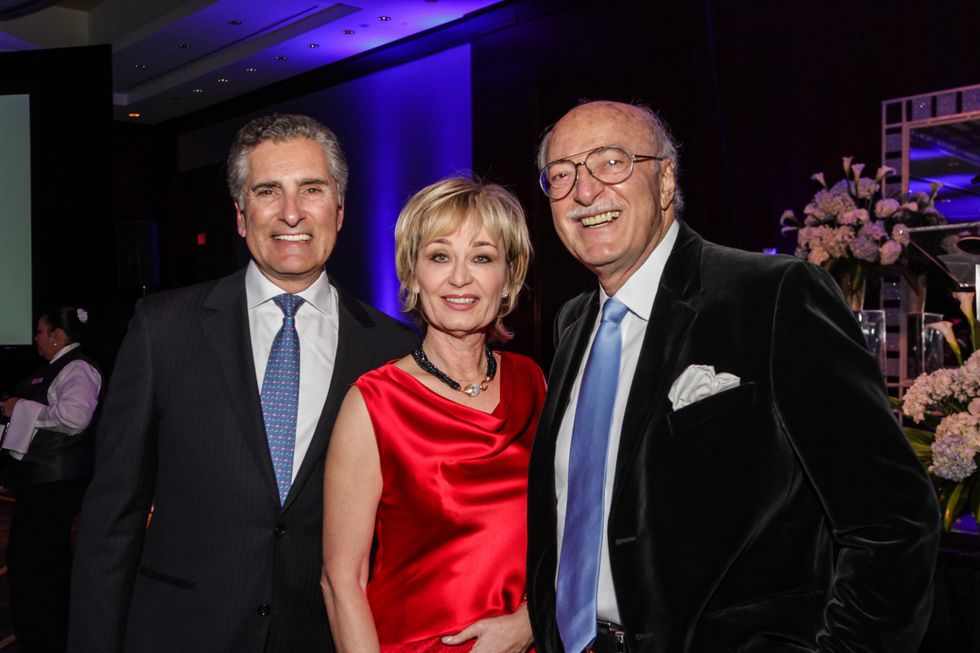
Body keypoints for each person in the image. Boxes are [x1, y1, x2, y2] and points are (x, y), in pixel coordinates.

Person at [525, 100, 941, 652]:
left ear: (666, 179)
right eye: (562, 175)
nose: (585, 192)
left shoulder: (773, 297)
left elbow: (892, 521)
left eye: (611, 163)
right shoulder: (572, 324)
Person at [67, 114, 416, 653]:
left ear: (340, 210)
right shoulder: (163, 330)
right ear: (240, 215)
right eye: (268, 191)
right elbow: (113, 519)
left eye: (312, 189)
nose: (291, 212)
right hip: (181, 635)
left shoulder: (392, 353)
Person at [321, 177, 544, 653]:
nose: (459, 278)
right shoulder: (374, 404)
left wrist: (532, 620)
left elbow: (573, 531)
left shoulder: (535, 383)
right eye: (439, 256)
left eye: (482, 258)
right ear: (412, 274)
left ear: (508, 277)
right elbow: (341, 582)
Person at [1, 306, 101, 653]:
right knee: (39, 561)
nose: (36, 338)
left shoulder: (78, 367)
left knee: (36, 564)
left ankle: (46, 638)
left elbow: (74, 417)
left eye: (41, 332)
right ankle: (46, 635)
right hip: (44, 480)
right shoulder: (56, 369)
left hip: (55, 481)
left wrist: (20, 409)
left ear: (58, 336)